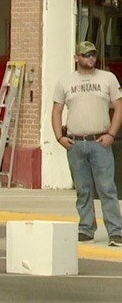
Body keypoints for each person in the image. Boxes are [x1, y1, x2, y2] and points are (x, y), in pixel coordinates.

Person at [52, 40, 122, 245]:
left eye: (93, 55)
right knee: (83, 189)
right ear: (76, 58)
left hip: (100, 141)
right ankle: (86, 228)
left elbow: (119, 107)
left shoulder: (107, 78)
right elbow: (56, 111)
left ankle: (115, 231)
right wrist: (59, 137)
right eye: (85, 55)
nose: (90, 58)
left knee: (107, 188)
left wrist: (111, 134)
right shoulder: (65, 82)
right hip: (75, 143)